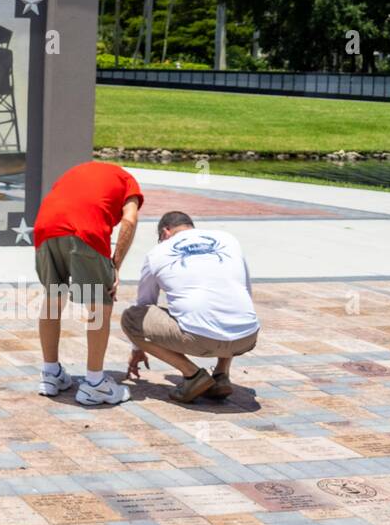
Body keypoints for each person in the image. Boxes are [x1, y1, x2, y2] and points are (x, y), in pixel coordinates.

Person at [32, 161, 143, 405]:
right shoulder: (127, 181)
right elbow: (130, 220)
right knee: (99, 305)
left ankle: (51, 374)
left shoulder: (75, 172)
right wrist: (116, 264)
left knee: (53, 298)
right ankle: (95, 383)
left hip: (45, 228)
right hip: (84, 231)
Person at [122, 211, 260, 403]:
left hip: (200, 340)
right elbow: (246, 291)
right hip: (247, 336)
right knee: (228, 303)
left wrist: (137, 348)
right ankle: (221, 374)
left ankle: (193, 375)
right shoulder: (228, 239)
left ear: (165, 232)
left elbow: (145, 304)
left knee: (131, 318)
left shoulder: (157, 253)